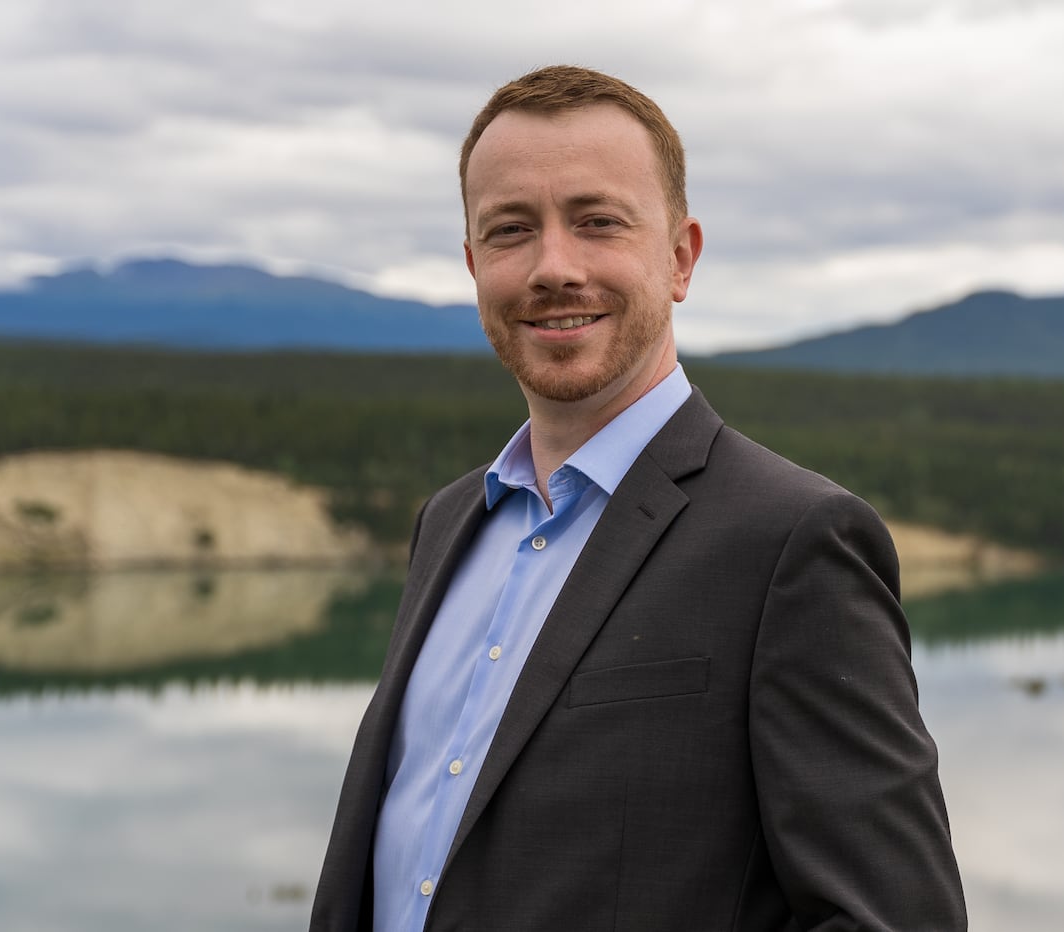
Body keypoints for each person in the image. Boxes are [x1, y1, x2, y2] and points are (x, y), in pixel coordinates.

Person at [311, 65, 966, 931]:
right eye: (511, 231)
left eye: (597, 223)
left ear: (680, 257)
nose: (554, 267)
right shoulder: (449, 524)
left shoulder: (791, 542)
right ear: (474, 265)